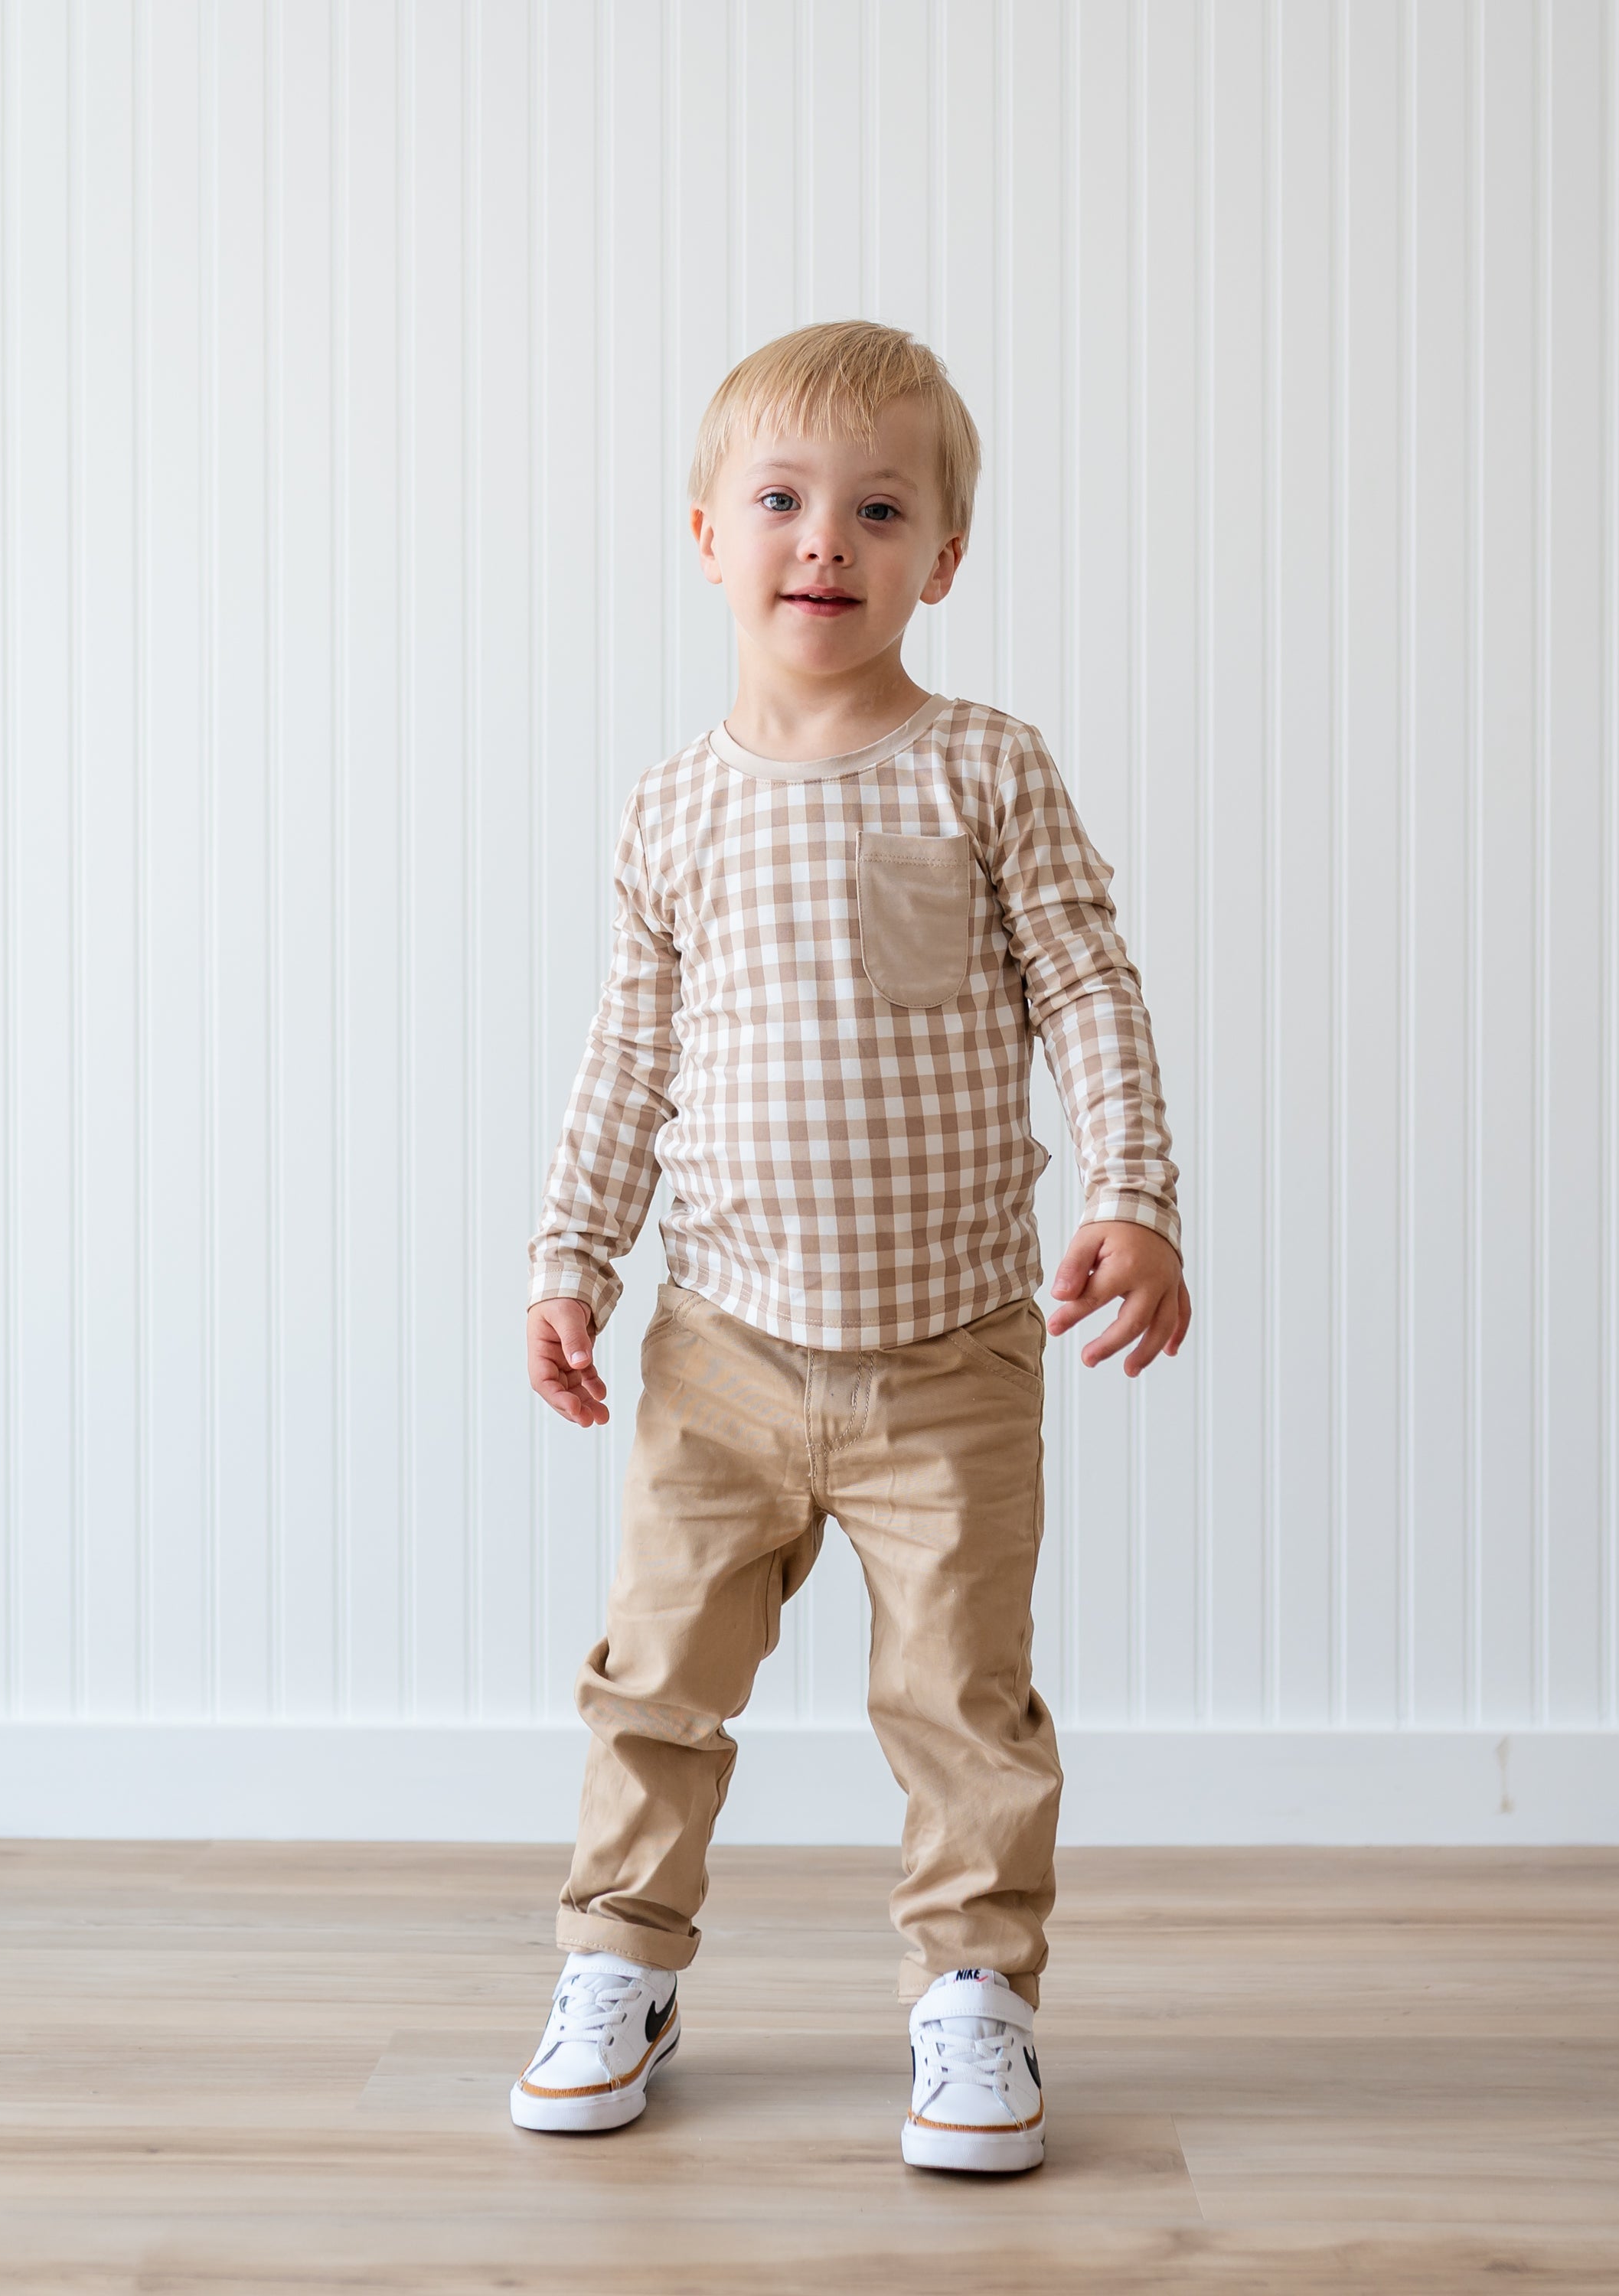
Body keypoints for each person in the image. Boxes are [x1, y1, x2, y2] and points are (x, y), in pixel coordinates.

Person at [511, 319, 1188, 2173]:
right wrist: (574, 1254)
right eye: (785, 502)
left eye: (878, 510)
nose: (827, 540)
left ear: (939, 561)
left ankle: (976, 1997)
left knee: (962, 1699)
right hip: (719, 1350)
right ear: (707, 536)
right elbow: (630, 1052)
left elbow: (1090, 989)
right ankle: (616, 1961)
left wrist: (1134, 1195)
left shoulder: (984, 769)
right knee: (656, 1679)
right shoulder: (674, 806)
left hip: (949, 1354)